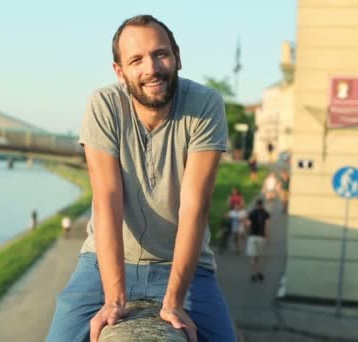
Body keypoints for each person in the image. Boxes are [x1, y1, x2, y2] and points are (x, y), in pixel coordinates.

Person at [47, 14, 235, 342]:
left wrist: (174, 301)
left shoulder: (205, 104)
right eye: (136, 60)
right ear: (120, 71)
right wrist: (114, 299)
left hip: (182, 266)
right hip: (103, 264)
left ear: (177, 57)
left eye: (160, 54)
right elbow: (107, 202)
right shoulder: (104, 105)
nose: (151, 68)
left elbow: (195, 208)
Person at [246, 199, 270, 282]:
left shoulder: (251, 213)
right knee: (259, 257)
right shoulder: (266, 213)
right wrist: (267, 236)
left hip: (252, 237)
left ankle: (253, 274)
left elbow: (248, 225)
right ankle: (259, 273)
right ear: (262, 205)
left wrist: (248, 233)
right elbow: (267, 225)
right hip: (261, 237)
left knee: (252, 257)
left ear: (256, 205)